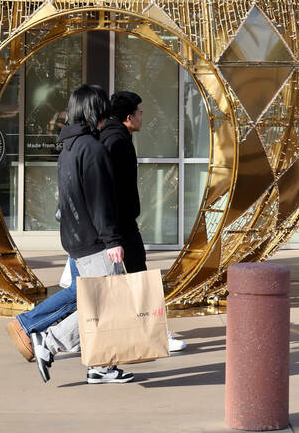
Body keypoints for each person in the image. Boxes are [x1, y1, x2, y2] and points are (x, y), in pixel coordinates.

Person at [26, 84, 135, 385]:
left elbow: (67, 198)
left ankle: (100, 367)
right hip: (95, 242)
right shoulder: (93, 150)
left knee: (99, 304)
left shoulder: (69, 149)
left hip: (77, 239)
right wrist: (113, 241)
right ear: (95, 110)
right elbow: (100, 200)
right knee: (104, 305)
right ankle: (49, 341)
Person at [100, 90, 186, 352]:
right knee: (139, 278)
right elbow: (109, 189)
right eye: (140, 112)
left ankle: (64, 334)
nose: (142, 117)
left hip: (113, 224)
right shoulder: (117, 142)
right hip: (119, 225)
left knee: (104, 283)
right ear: (129, 117)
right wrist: (113, 232)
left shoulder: (110, 136)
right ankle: (156, 333)